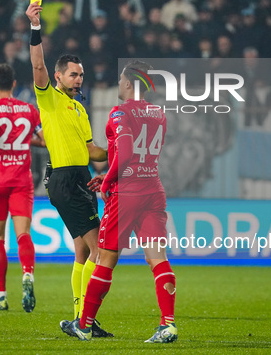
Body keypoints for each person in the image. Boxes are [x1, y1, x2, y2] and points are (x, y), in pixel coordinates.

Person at [64, 60, 177, 343]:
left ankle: (85, 325)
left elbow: (124, 154)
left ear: (128, 83)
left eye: (120, 81)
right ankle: (168, 325)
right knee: (157, 258)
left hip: (127, 194)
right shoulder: (159, 113)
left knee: (105, 257)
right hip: (153, 188)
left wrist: (108, 178)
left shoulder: (119, 114)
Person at [25, 0, 112, 337]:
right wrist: (35, 27)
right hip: (64, 179)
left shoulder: (79, 110)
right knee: (100, 250)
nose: (79, 79)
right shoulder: (49, 97)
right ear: (59, 75)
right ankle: (83, 321)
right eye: (73, 74)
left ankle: (80, 316)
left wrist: (122, 150)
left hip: (82, 178)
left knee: (82, 250)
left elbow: (93, 151)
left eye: (81, 75)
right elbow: (37, 65)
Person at [0, 63, 44, 313]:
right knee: (23, 235)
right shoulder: (29, 110)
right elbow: (45, 140)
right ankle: (27, 274)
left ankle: (1, 296)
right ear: (14, 84)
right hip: (21, 179)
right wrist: (25, 140)